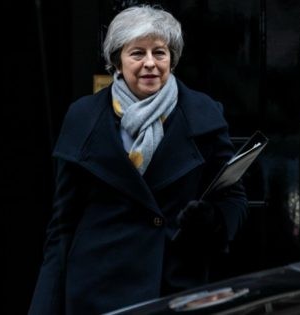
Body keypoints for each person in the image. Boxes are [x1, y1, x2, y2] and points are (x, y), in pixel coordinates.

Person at [28, 5, 248, 315]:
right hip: (97, 289)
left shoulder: (204, 113)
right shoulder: (83, 117)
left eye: (160, 52)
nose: (150, 64)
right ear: (117, 60)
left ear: (172, 58)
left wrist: (211, 220)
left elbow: (233, 198)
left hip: (175, 289)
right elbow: (63, 226)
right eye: (137, 53)